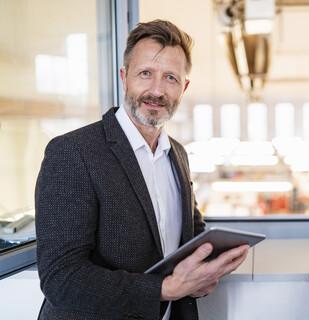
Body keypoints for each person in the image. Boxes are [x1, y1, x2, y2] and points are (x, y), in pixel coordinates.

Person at [35, 19, 250, 320]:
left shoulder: (177, 153)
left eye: (171, 78)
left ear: (184, 87)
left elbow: (190, 234)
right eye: (145, 73)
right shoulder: (73, 152)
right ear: (124, 77)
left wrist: (210, 267)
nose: (157, 91)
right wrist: (165, 289)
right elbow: (62, 278)